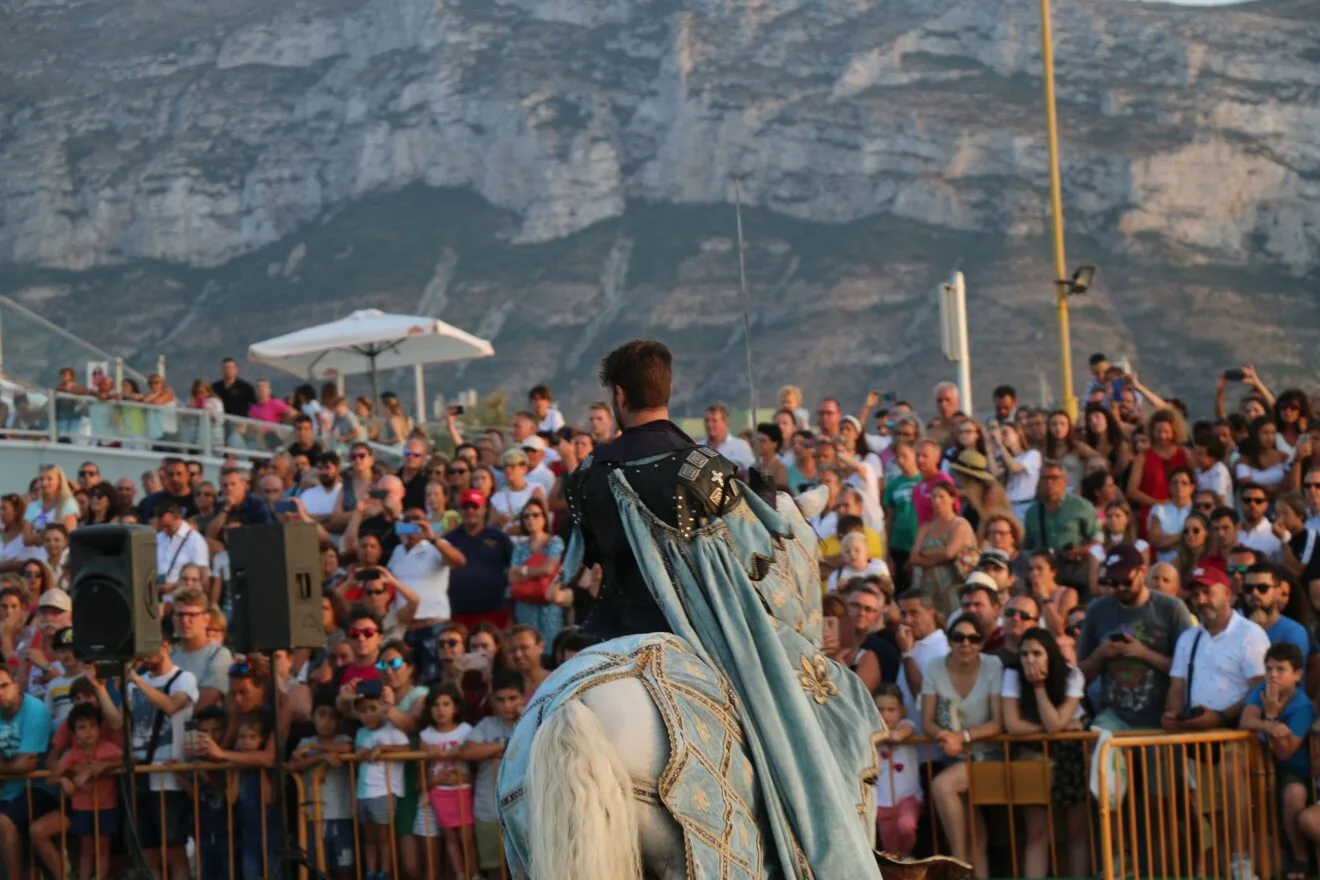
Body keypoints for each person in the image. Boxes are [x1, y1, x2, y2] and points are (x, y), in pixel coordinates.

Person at [1001, 627, 1089, 879]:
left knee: (1077, 831)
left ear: (1050, 653)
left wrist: (1039, 687)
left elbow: (1054, 725)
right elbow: (1013, 724)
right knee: (1036, 832)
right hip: (1030, 754)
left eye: (1037, 653)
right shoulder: (1012, 674)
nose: (1030, 660)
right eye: (1025, 653)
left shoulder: (1073, 675)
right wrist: (1057, 728)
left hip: (1069, 755)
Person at [922, 614, 1004, 879]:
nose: (966, 644)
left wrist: (963, 737)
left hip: (989, 756)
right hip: (953, 757)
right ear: (949, 640)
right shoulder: (934, 667)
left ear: (982, 642)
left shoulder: (993, 665)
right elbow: (927, 721)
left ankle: (957, 864)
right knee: (975, 833)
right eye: (958, 637)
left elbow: (997, 723)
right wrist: (945, 736)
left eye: (974, 638)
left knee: (941, 786)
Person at [1241, 643, 1313, 880]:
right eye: (1269, 668)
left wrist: (1271, 714)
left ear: (1298, 675)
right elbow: (1247, 720)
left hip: (1292, 769)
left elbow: (1285, 752)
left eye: (1280, 669)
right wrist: (1270, 723)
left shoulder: (1303, 706)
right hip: (1260, 763)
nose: (1272, 675)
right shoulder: (1261, 690)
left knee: (1294, 793)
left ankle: (1300, 858)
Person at [29, 701, 122, 880]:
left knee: (103, 848)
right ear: (74, 732)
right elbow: (51, 778)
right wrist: (64, 779)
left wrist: (104, 766)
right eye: (82, 727)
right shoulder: (73, 754)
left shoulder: (108, 749)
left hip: (106, 806)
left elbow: (125, 761)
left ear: (99, 727)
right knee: (86, 849)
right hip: (82, 808)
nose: (88, 731)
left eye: (92, 725)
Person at [450, 669, 525, 879]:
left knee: (527, 867)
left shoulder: (532, 721)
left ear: (523, 696)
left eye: (513, 698)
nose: (507, 705)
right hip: (489, 808)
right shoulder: (486, 725)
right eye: (500, 700)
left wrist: (492, 748)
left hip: (524, 808)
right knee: (494, 868)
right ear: (492, 700)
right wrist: (504, 744)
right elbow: (468, 751)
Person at [289, 694, 355, 880]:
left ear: (339, 720)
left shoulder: (342, 739)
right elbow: (293, 765)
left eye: (333, 716)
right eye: (322, 714)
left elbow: (347, 748)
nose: (327, 721)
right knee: (317, 869)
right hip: (314, 817)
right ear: (313, 716)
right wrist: (320, 757)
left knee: (344, 869)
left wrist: (317, 748)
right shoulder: (304, 743)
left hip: (341, 815)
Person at [352, 679, 411, 880]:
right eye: (363, 710)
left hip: (384, 791)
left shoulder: (392, 730)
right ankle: (370, 871)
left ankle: (384, 872)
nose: (368, 714)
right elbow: (358, 750)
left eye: (373, 708)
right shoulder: (360, 733)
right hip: (363, 792)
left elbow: (406, 749)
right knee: (369, 838)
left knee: (384, 837)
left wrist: (384, 748)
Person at [0, 664, 55, 880]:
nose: (0, 693)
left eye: (4, 686)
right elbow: (18, 765)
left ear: (16, 684)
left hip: (40, 789)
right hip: (8, 791)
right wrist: (12, 767)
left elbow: (28, 764)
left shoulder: (35, 710)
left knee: (4, 821)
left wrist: (6, 767)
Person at [420, 683, 478, 880]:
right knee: (450, 837)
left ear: (455, 707)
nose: (440, 710)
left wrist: (461, 775)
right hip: (439, 791)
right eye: (435, 705)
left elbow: (472, 760)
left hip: (462, 788)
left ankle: (474, 873)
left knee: (466, 836)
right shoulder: (426, 735)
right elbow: (423, 768)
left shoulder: (466, 730)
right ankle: (461, 874)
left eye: (446, 704)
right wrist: (436, 778)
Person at [873, 683, 922, 858]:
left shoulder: (907, 725)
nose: (885, 715)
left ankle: (908, 855)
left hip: (907, 795)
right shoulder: (870, 730)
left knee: (906, 826)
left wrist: (883, 736)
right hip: (881, 799)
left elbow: (900, 735)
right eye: (880, 710)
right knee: (889, 842)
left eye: (891, 709)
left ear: (900, 709)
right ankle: (898, 866)